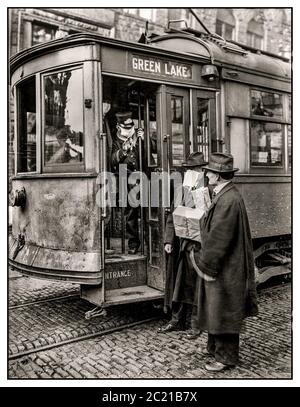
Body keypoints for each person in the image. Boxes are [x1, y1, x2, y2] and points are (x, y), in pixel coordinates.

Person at [191, 152, 258, 372]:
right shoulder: (227, 194)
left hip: (225, 268)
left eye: (209, 172)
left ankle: (226, 357)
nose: (206, 174)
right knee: (216, 308)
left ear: (218, 176)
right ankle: (214, 348)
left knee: (225, 310)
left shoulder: (227, 199)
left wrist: (206, 264)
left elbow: (220, 237)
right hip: (226, 265)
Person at [158, 152, 209, 338]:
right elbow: (173, 214)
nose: (190, 172)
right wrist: (168, 240)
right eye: (188, 169)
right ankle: (176, 320)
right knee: (178, 283)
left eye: (194, 169)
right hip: (181, 245)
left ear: (201, 170)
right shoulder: (181, 187)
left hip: (198, 245)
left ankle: (196, 324)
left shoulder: (208, 189)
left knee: (197, 285)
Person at [111, 111, 144, 254]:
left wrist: (144, 140)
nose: (129, 130)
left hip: (143, 178)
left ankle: (150, 241)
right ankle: (133, 243)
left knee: (148, 211)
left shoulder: (138, 137)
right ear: (119, 127)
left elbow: (152, 152)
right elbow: (112, 161)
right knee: (131, 213)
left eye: (131, 127)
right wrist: (123, 151)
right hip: (127, 180)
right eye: (126, 127)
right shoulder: (115, 141)